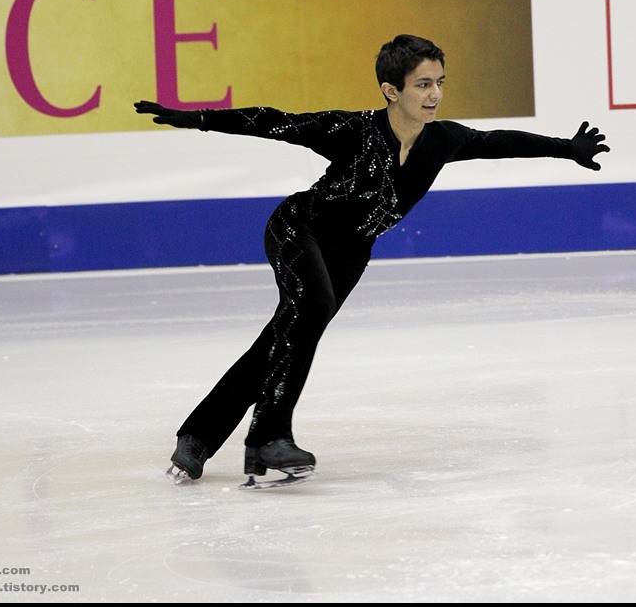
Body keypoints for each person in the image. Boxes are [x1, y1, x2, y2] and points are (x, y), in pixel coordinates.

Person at [134, 34, 610, 488]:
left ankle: (195, 440)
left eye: (440, 82)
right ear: (391, 90)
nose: (435, 94)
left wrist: (566, 149)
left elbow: (498, 141)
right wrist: (197, 118)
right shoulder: (353, 131)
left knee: (282, 339)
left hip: (351, 253)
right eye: (423, 84)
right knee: (311, 308)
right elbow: (274, 121)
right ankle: (268, 438)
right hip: (300, 229)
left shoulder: (441, 141)